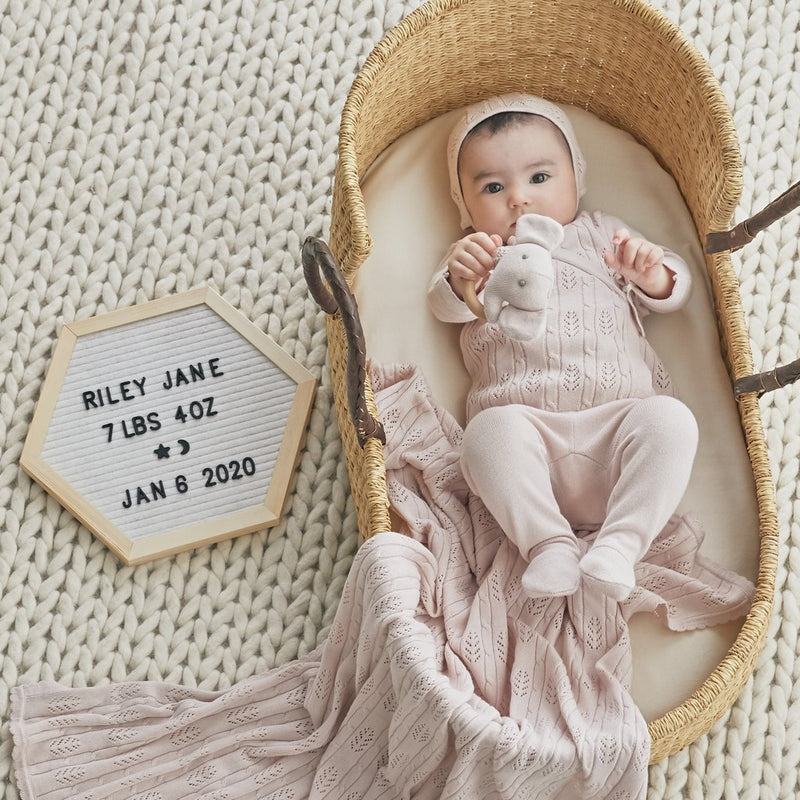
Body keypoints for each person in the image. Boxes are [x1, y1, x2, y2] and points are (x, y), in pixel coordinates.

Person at [428, 94, 699, 601]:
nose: (519, 199)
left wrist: (651, 273)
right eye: (492, 186)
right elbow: (446, 305)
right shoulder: (483, 255)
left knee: (673, 421)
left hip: (619, 429)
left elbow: (675, 291)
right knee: (486, 434)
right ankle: (548, 546)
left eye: (539, 177)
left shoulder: (601, 234)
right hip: (529, 444)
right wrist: (462, 277)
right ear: (464, 205)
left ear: (576, 176)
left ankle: (619, 546)